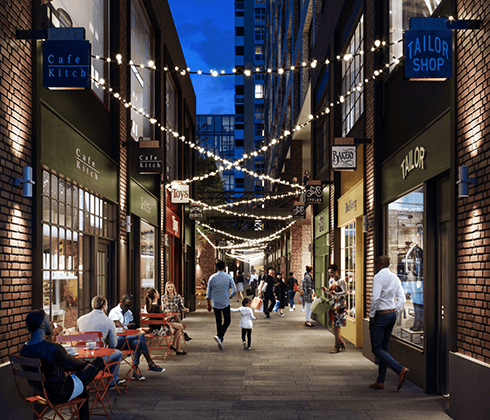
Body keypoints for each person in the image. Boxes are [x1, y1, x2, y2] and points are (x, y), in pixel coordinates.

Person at [20, 309, 105, 420]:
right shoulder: (53, 349)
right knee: (98, 360)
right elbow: (77, 365)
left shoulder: (23, 351)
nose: (51, 323)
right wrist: (89, 365)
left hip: (41, 393)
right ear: (41, 325)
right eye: (48, 320)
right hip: (61, 393)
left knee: (82, 388)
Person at [369, 255, 410, 391]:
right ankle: (380, 381)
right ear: (389, 264)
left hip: (381, 316)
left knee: (376, 348)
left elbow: (375, 298)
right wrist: (394, 310)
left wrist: (371, 315)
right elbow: (402, 299)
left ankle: (400, 369)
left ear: (379, 263)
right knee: (384, 348)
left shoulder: (378, 277)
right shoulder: (395, 278)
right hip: (391, 315)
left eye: (376, 262)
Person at [109, 294, 165, 380]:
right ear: (121, 302)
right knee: (141, 335)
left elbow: (129, 326)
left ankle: (134, 372)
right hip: (117, 341)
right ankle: (150, 362)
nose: (128, 308)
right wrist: (127, 327)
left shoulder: (129, 313)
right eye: (126, 305)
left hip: (128, 339)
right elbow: (118, 325)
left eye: (130, 306)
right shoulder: (114, 312)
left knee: (137, 343)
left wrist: (131, 326)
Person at [77, 295, 126, 389]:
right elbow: (113, 345)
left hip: (82, 357)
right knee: (118, 353)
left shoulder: (80, 320)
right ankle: (112, 382)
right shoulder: (108, 321)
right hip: (98, 358)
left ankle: (94, 373)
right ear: (104, 306)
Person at [206, 261, 237, 350]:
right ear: (224, 267)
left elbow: (208, 293)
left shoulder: (212, 277)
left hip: (215, 303)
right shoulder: (228, 277)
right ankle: (220, 336)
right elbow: (234, 290)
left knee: (218, 321)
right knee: (227, 320)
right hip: (225, 302)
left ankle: (220, 338)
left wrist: (208, 304)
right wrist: (230, 296)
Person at [321, 264, 347, 353]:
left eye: (331, 272)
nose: (330, 274)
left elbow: (345, 293)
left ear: (336, 272)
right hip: (333, 304)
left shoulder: (341, 281)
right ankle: (341, 342)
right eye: (329, 273)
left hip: (340, 305)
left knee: (336, 326)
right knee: (333, 326)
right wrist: (326, 290)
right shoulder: (331, 280)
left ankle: (336, 346)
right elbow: (331, 292)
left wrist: (335, 294)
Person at [162, 282, 191, 353]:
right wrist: (165, 303)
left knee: (178, 326)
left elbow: (181, 306)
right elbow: (163, 309)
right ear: (166, 288)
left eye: (171, 287)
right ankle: (184, 332)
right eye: (168, 287)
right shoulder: (163, 297)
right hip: (168, 317)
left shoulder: (178, 296)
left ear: (173, 287)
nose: (170, 289)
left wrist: (185, 309)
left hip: (176, 317)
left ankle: (176, 347)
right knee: (177, 318)